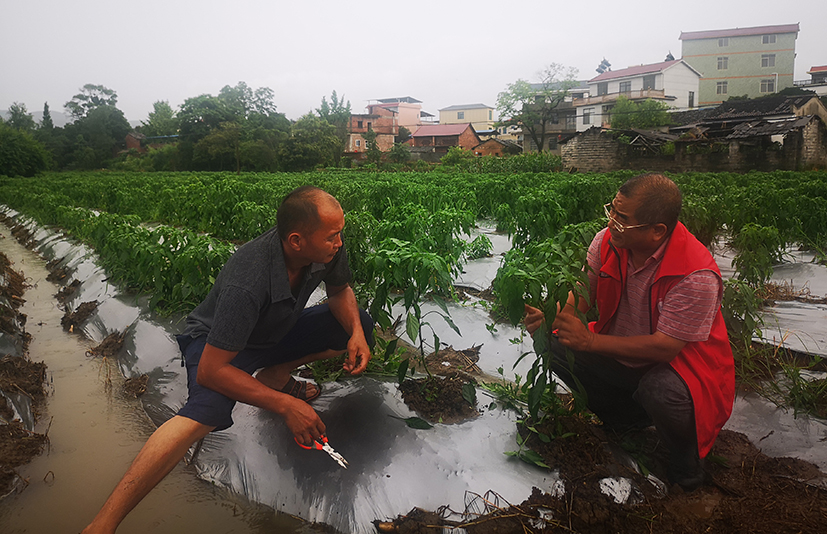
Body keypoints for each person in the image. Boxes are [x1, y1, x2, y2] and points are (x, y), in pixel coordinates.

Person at [83, 185, 373, 533]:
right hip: (216, 345)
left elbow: (339, 290)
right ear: (297, 241)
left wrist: (355, 331)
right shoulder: (249, 279)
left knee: (360, 324)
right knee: (202, 414)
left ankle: (275, 374)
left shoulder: (325, 248)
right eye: (333, 236)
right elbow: (211, 370)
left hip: (273, 331)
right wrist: (285, 406)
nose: (340, 243)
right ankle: (102, 525)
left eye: (340, 233)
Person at [524, 173, 734, 491]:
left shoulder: (695, 274)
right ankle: (625, 420)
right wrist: (552, 316)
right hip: (623, 355)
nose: (612, 222)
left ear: (657, 231)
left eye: (622, 218)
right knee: (553, 345)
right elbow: (581, 294)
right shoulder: (607, 241)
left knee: (659, 390)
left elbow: (665, 348)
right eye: (613, 210)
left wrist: (591, 341)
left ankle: (686, 464)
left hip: (682, 372)